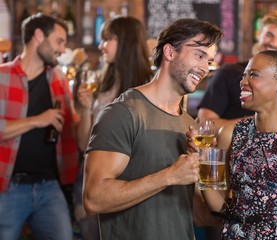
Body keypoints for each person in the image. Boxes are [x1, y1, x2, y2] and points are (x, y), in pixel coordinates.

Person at [82, 18, 222, 239]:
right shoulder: (122, 113)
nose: (205, 67)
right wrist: (169, 176)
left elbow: (196, 214)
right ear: (169, 52)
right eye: (199, 55)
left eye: (210, 61)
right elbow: (93, 198)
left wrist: (213, 178)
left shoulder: (190, 126)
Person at [198, 50, 277, 239]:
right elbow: (218, 206)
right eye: (244, 75)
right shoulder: (231, 133)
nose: (243, 82)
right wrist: (204, 159)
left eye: (253, 74)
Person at [0, 13, 87, 239]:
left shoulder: (58, 78)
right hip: (8, 188)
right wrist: (37, 120)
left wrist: (86, 108)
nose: (62, 49)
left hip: (49, 186)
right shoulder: (3, 76)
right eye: (59, 41)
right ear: (39, 36)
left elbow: (76, 135)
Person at [74, 16, 153, 240]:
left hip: (132, 181)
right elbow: (83, 144)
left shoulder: (149, 85)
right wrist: (85, 109)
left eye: (107, 39)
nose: (101, 46)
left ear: (126, 42)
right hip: (93, 178)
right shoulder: (101, 85)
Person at [198, 10, 277, 132]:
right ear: (259, 34)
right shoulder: (228, 73)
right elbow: (204, 126)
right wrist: (256, 121)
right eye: (269, 35)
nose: (273, 43)